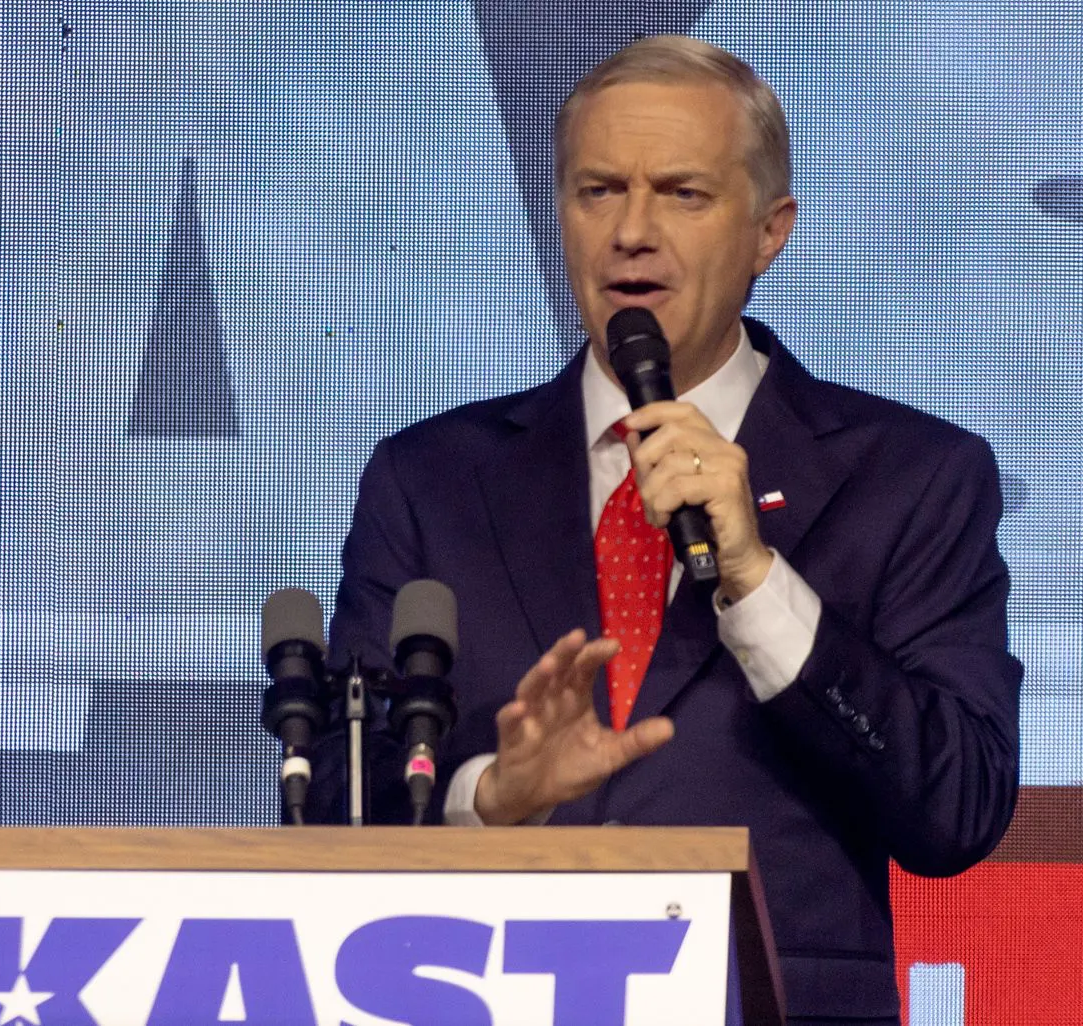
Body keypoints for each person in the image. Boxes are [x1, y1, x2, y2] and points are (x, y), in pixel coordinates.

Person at [314, 34, 1022, 1024]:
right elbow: (335, 804)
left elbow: (956, 810)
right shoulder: (430, 481)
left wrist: (758, 584)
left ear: (768, 231)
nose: (631, 233)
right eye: (597, 191)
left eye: (682, 193)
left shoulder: (911, 478)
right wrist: (490, 797)